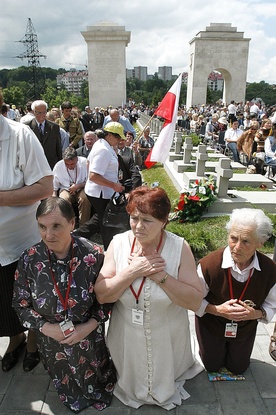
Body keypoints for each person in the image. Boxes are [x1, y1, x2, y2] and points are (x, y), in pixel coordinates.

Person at [94, 186, 203, 410]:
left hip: (168, 335)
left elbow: (194, 300)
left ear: (164, 221)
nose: (138, 226)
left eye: (147, 220)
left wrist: (159, 275)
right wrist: (132, 271)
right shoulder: (118, 243)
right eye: (134, 218)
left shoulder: (179, 247)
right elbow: (103, 294)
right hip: (126, 336)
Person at [12, 197, 116, 412]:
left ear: (72, 223)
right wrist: (46, 328)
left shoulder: (94, 255)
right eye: (42, 226)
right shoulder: (29, 259)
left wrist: (87, 327)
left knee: (98, 380)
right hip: (51, 342)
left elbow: (109, 299)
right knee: (65, 384)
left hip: (89, 338)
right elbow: (20, 304)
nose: (48, 235)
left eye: (56, 226)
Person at [0, 91, 53, 372]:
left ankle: (33, 341)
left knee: (28, 298)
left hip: (21, 241)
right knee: (3, 302)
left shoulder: (20, 136)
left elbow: (45, 187)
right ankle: (15, 338)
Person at [195, 208, 276, 375]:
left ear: (260, 243)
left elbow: (272, 304)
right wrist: (217, 310)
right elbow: (193, 301)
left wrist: (256, 314)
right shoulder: (208, 265)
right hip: (212, 324)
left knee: (238, 368)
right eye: (233, 238)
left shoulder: (270, 270)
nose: (237, 247)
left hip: (244, 327)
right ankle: (200, 344)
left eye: (246, 241)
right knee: (212, 366)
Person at [84, 122, 125, 250]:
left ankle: (77, 235)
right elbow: (93, 175)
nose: (119, 141)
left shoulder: (102, 144)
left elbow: (88, 163)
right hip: (100, 193)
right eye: (118, 137)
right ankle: (109, 249)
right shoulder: (103, 149)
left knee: (101, 218)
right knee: (107, 223)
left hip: (100, 191)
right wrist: (114, 185)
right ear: (110, 136)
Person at [53, 147, 91, 227]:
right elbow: (54, 187)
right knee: (63, 200)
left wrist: (78, 186)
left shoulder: (84, 162)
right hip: (65, 189)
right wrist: (54, 200)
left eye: (72, 164)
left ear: (77, 159)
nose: (70, 166)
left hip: (81, 187)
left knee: (84, 199)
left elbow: (90, 181)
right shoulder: (58, 166)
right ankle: (68, 226)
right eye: (67, 164)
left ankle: (83, 226)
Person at [26, 100, 62, 170]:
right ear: (33, 112)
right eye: (39, 113)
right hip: (34, 166)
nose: (42, 115)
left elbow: (58, 148)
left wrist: (59, 165)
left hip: (51, 164)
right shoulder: (27, 127)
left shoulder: (54, 127)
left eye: (44, 112)